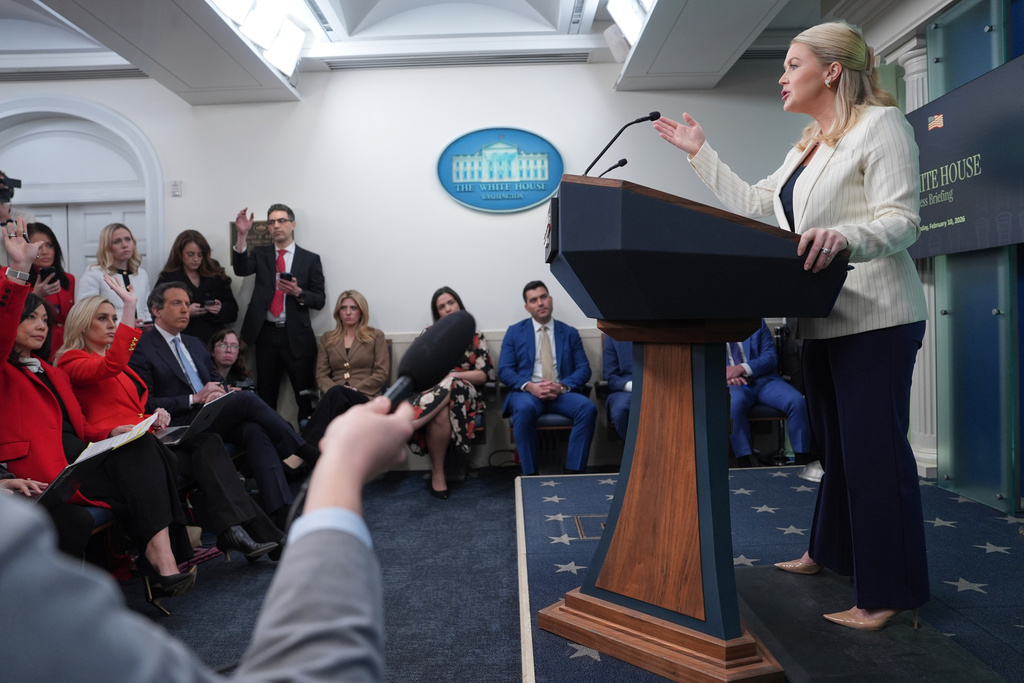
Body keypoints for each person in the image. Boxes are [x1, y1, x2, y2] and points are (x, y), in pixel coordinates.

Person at [654, 21, 929, 631]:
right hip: (822, 321)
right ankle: (829, 552)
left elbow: (904, 220)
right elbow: (758, 205)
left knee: (874, 457)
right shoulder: (807, 146)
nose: (782, 76)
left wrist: (847, 236)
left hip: (876, 319)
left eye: (792, 64)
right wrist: (702, 153)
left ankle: (890, 592)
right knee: (836, 452)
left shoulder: (881, 127)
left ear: (832, 71)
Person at [0, 396, 413, 683]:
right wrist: (342, 469)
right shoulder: (15, 552)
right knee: (232, 422)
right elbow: (320, 667)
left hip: (145, 439)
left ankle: (251, 529)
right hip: (103, 458)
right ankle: (290, 482)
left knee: (232, 431)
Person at [0, 224, 196, 608]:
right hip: (41, 469)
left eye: (44, 319)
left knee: (142, 448)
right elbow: (108, 365)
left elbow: (87, 427)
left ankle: (163, 561)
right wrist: (18, 272)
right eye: (30, 319)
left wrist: (121, 429)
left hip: (77, 461)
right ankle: (163, 562)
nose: (41, 325)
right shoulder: (8, 369)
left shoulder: (51, 371)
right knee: (149, 461)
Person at [55, 281, 281, 562]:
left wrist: (153, 418)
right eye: (103, 319)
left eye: (114, 317)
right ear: (81, 325)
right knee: (209, 454)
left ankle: (239, 531)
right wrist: (128, 306)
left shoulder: (115, 364)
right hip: (121, 455)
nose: (112, 324)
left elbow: (134, 407)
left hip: (145, 440)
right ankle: (257, 534)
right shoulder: (72, 360)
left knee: (207, 442)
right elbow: (109, 374)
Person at [128, 282, 319, 525]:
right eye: (177, 303)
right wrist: (194, 398)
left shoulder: (194, 342)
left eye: (187, 304)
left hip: (211, 414)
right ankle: (304, 450)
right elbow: (146, 402)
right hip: (178, 423)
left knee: (255, 430)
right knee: (248, 400)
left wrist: (221, 391)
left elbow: (216, 380)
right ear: (156, 310)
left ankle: (281, 515)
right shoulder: (142, 347)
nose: (185, 310)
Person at [233, 204, 326, 420]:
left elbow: (320, 300)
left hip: (297, 337)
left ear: (293, 225)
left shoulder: (310, 259)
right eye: (272, 222)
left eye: (282, 221)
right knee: (265, 398)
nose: (276, 226)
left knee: (306, 398)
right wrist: (242, 235)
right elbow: (241, 269)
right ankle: (270, 448)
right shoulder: (261, 253)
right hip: (265, 334)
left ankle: (308, 446)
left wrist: (298, 292)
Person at [498, 280, 596, 476]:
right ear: (527, 307)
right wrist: (529, 386)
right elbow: (505, 370)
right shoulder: (514, 332)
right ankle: (530, 475)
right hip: (527, 394)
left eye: (543, 297)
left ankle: (574, 471)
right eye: (533, 300)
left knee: (587, 408)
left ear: (550, 300)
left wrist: (561, 386)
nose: (540, 303)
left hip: (561, 393)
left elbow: (584, 369)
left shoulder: (569, 333)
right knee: (524, 409)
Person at [408, 287, 494, 499]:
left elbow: (483, 375)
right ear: (437, 313)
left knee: (452, 384)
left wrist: (454, 376)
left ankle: (411, 423)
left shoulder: (475, 337)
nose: (447, 309)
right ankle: (439, 473)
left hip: (469, 395)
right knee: (441, 412)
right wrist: (446, 380)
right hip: (435, 397)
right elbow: (418, 374)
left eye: (451, 303)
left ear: (459, 304)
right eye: (441, 307)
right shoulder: (429, 336)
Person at [300, 290, 389, 452]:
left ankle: (302, 452)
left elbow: (381, 373)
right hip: (335, 400)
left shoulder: (375, 336)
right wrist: (335, 390)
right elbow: (321, 375)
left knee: (337, 393)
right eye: (344, 308)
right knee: (337, 394)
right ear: (338, 312)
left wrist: (356, 389)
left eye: (353, 308)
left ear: (362, 311)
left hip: (364, 397)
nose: (348, 312)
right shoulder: (328, 338)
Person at [726, 320, 811, 468]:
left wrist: (741, 368)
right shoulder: (709, 323)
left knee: (796, 401)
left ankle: (802, 458)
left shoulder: (756, 321)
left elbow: (770, 357)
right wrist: (728, 374)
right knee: (733, 404)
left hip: (765, 379)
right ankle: (744, 459)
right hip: (733, 383)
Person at [155, 230, 239, 344]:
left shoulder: (214, 273)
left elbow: (233, 312)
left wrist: (220, 309)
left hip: (214, 340)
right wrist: (185, 311)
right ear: (179, 253)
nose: (196, 259)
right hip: (182, 339)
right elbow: (157, 312)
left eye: (200, 255)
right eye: (190, 254)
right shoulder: (169, 278)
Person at [78, 222, 151, 328]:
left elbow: (145, 309)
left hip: (140, 336)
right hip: (110, 335)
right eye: (117, 241)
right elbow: (85, 312)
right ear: (107, 247)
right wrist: (126, 324)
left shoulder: (141, 274)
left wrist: (147, 323)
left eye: (128, 239)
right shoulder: (95, 272)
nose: (125, 245)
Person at [25, 222, 75, 358]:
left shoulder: (69, 279)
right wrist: (35, 295)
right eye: (38, 247)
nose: (45, 252)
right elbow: (9, 317)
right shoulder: (17, 278)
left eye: (49, 245)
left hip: (66, 350)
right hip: (35, 351)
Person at [602, 336, 632, 440]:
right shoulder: (613, 336)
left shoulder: (660, 330)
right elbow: (610, 377)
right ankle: (633, 450)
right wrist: (633, 387)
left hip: (662, 385)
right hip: (626, 389)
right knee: (620, 409)